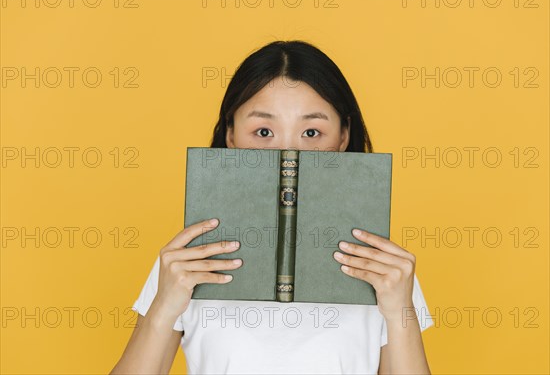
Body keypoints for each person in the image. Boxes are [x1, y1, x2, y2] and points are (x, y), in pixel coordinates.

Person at [110, 40, 434, 375]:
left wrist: (400, 312)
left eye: (312, 132)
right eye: (263, 131)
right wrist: (163, 307)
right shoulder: (188, 259)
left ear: (343, 137)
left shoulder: (382, 265)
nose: (287, 151)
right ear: (231, 135)